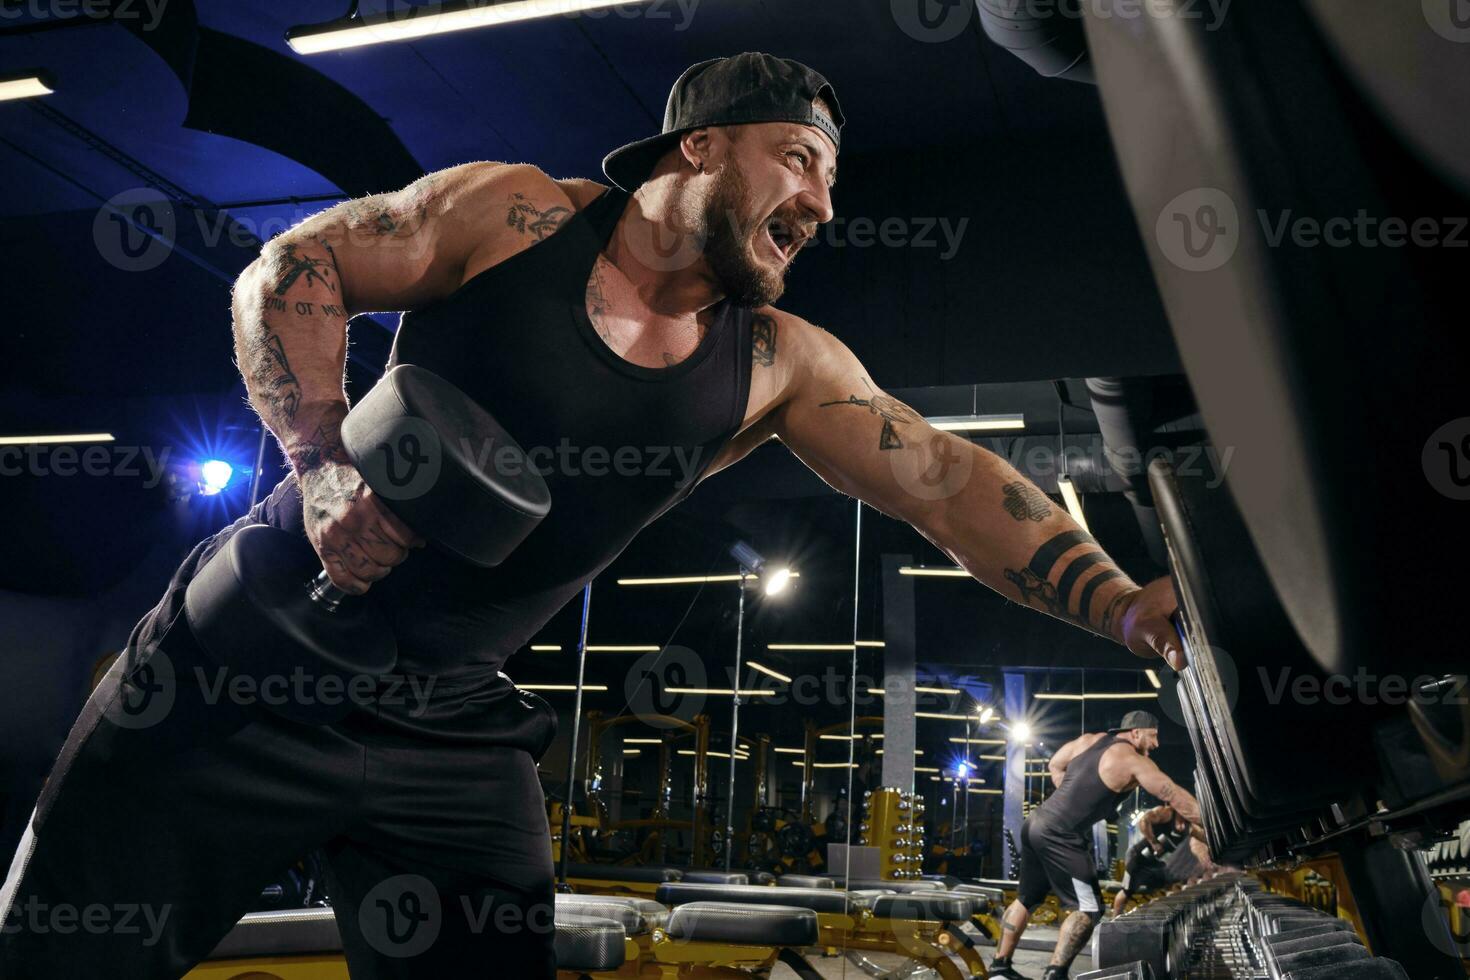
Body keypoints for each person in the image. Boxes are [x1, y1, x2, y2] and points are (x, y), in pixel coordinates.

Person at [0, 53, 1182, 978]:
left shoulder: (774, 361)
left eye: (831, 179)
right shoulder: (517, 217)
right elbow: (294, 267)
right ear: (699, 144)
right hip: (247, 661)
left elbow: (947, 478)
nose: (821, 200)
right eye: (799, 159)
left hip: (450, 730)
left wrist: (1126, 608)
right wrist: (319, 462)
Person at [989, 712, 1202, 980]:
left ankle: (998, 968)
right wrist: (1213, 822)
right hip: (1060, 834)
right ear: (1136, 732)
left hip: (1036, 822)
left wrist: (1067, 801)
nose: (1157, 744)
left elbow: (1055, 764)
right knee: (1089, 909)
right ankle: (1055, 974)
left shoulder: (1090, 740)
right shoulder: (1133, 760)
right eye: (1154, 735)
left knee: (1027, 898)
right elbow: (1171, 794)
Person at [1111, 804, 1191, 914]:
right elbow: (1143, 821)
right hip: (1139, 858)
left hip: (1158, 864)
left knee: (1175, 885)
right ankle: (1114, 920)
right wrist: (1153, 842)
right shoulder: (1166, 812)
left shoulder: (1190, 824)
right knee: (1126, 892)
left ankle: (1171, 917)